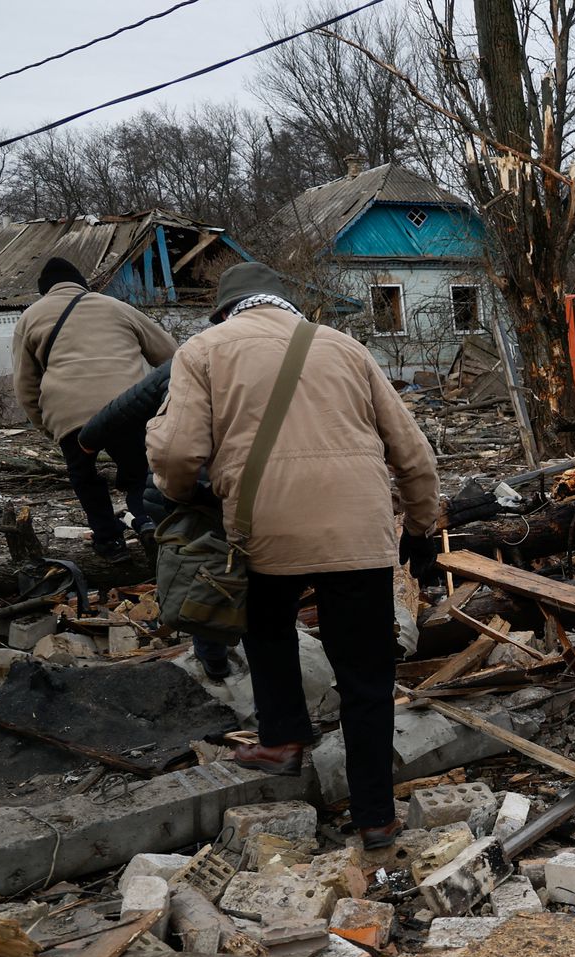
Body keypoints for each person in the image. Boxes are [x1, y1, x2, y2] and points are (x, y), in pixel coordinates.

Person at [147, 263, 442, 849]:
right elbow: (413, 452)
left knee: (265, 623)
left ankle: (282, 740)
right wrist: (420, 525)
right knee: (366, 675)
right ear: (287, 305)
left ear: (227, 309)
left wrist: (185, 498)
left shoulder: (202, 350)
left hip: (264, 528)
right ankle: (376, 818)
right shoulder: (346, 347)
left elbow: (177, 451)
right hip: (357, 531)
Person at [79, 362, 236, 681]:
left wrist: (87, 442)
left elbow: (115, 414)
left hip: (189, 495)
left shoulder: (193, 357)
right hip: (262, 492)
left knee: (202, 574)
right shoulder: (303, 357)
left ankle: (215, 662)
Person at [13, 257, 177, 562]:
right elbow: (171, 356)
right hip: (126, 407)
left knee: (84, 477)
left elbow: (25, 386)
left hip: (68, 414)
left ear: (44, 291)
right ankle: (148, 523)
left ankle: (109, 542)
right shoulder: (115, 306)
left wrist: (48, 427)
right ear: (81, 284)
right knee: (140, 472)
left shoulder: (29, 318)